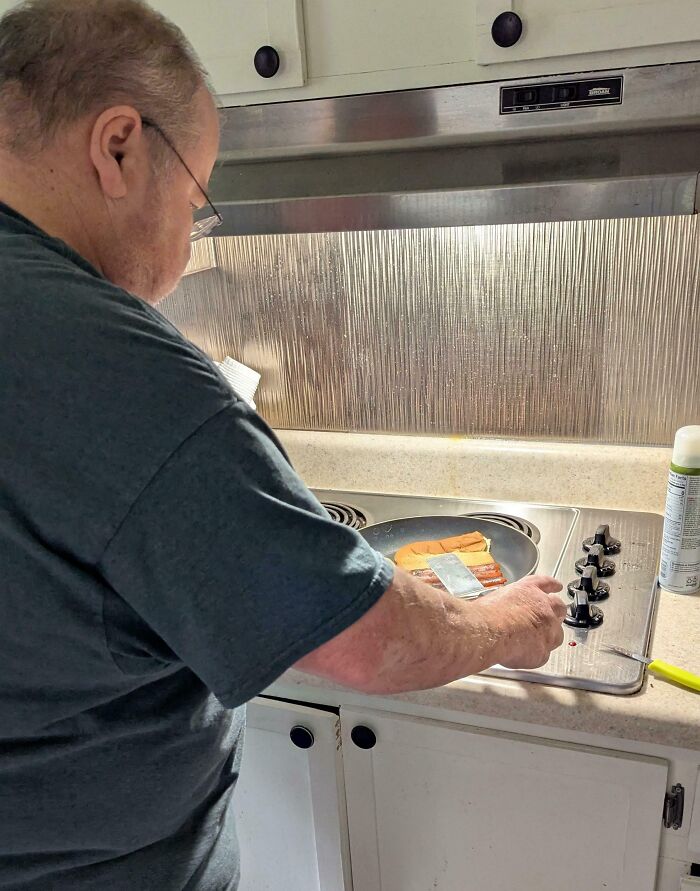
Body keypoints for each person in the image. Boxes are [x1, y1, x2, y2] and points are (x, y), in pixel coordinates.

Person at [0, 1, 566, 888]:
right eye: (195, 201)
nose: (188, 248)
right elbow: (365, 641)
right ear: (117, 146)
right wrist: (510, 623)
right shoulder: (115, 366)